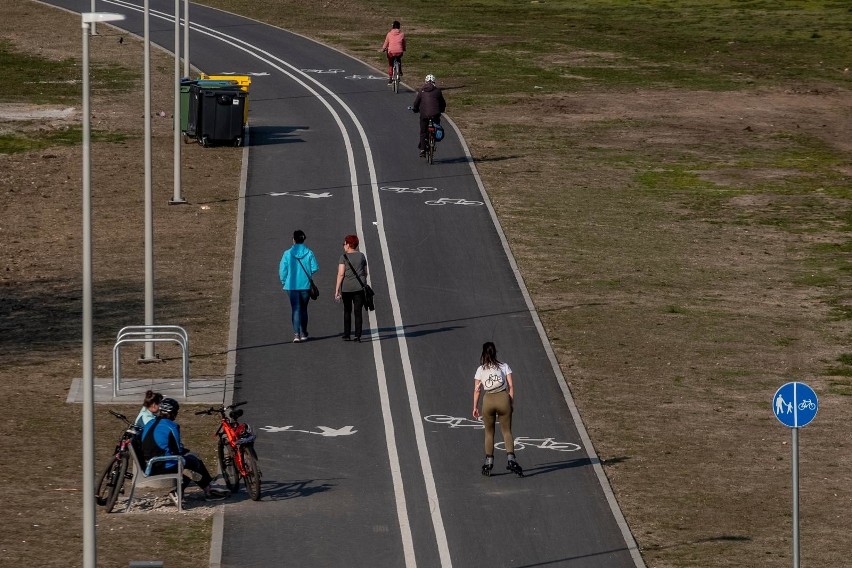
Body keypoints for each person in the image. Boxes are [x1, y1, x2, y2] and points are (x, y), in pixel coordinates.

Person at [140, 398, 229, 502]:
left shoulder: (150, 423)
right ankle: (182, 491)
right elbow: (177, 450)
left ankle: (208, 487)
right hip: (161, 465)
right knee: (192, 462)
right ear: (172, 413)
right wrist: (186, 452)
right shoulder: (171, 426)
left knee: (190, 459)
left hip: (147, 464)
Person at [472, 342, 524, 477]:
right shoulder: (504, 366)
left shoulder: (480, 369)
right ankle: (511, 459)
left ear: (483, 354)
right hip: (503, 398)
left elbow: (477, 390)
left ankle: (489, 461)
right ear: (495, 352)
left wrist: (475, 407)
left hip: (488, 400)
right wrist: (510, 402)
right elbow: (511, 386)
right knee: (506, 431)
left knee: (489, 433)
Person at [278, 229, 319, 343]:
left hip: (291, 286)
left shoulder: (287, 253)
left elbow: (283, 270)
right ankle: (304, 332)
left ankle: (296, 334)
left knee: (295, 309)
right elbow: (314, 267)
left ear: (294, 240)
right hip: (305, 285)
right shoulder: (309, 252)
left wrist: (284, 281)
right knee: (304, 309)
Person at [334, 234, 369, 342]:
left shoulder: (343, 257)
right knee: (358, 312)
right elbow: (365, 272)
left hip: (347, 288)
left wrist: (337, 289)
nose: (343, 246)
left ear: (349, 245)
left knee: (347, 310)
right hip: (359, 288)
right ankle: (358, 336)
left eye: (344, 244)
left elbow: (341, 274)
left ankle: (347, 334)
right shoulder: (362, 256)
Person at [411, 74, 446, 157]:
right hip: (435, 114)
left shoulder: (422, 91)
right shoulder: (438, 91)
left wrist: (415, 109)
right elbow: (443, 103)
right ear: (434, 82)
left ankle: (422, 149)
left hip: (424, 115)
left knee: (423, 131)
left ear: (425, 82)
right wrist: (442, 110)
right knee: (436, 125)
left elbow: (416, 103)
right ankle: (433, 139)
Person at [380, 20, 406, 84]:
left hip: (391, 52)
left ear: (392, 27)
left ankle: (390, 78)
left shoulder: (389, 34)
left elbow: (386, 42)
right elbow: (403, 43)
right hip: (399, 51)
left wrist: (383, 49)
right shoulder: (402, 34)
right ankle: (399, 70)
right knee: (398, 58)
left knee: (391, 64)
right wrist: (404, 49)